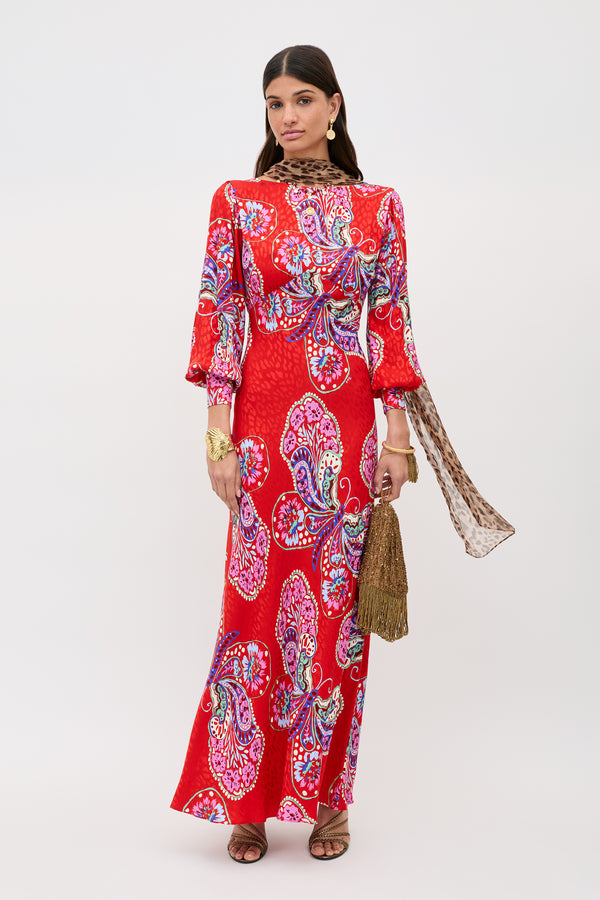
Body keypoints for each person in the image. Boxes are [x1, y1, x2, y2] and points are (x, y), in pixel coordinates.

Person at [170, 44, 514, 864]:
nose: (285, 118)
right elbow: (220, 322)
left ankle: (329, 803)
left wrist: (398, 439)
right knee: (251, 619)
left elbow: (389, 326)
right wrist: (219, 438)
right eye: (273, 104)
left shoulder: (379, 208)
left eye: (300, 101)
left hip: (349, 437)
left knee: (336, 624)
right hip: (258, 432)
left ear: (334, 106)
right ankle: (246, 802)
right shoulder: (238, 204)